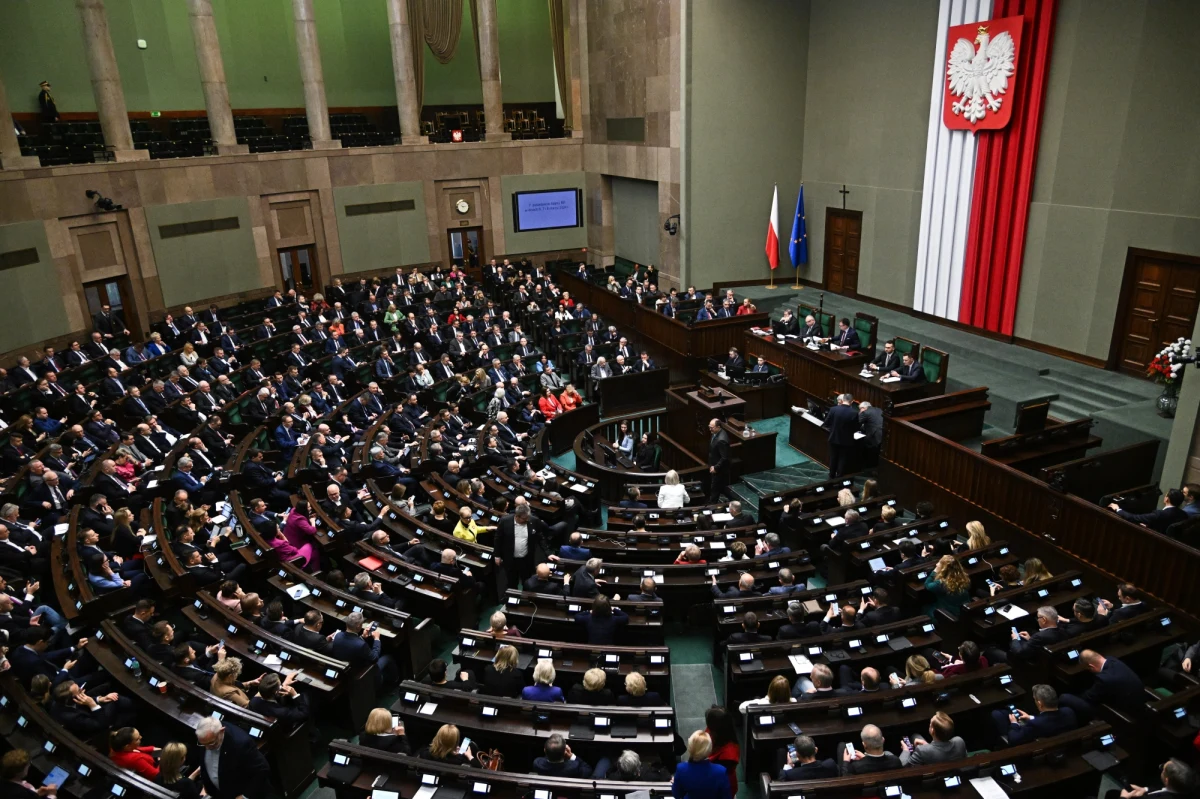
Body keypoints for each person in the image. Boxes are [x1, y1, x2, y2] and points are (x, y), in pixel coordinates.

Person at [195, 716, 272, 799]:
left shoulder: (241, 744)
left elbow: (262, 769)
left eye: (211, 743)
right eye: (203, 744)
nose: (207, 748)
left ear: (222, 731)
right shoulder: (207, 738)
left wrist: (244, 796)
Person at [990, 684, 1077, 746]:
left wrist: (1014, 724)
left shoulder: (1035, 724)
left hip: (1036, 747)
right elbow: (1049, 720)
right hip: (1064, 745)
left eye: (1035, 699)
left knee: (996, 714)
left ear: (1040, 704)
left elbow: (1013, 739)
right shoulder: (1069, 712)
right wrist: (1031, 717)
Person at [672, 731, 732, 799]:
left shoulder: (681, 769)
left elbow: (677, 794)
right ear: (709, 749)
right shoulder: (721, 771)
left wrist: (677, 781)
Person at [1108, 488, 1188, 534]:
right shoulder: (1184, 515)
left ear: (1166, 499)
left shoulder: (1159, 514)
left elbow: (1133, 517)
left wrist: (1118, 509)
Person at [1107, 759, 1198, 799]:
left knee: (1111, 793)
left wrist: (1124, 798)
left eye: (1163, 769)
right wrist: (1145, 789)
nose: (1161, 768)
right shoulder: (1187, 787)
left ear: (1167, 780)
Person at [899, 712, 966, 765]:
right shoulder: (959, 741)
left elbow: (903, 767)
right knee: (915, 736)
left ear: (932, 730)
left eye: (930, 724)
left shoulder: (922, 751)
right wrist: (927, 745)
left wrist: (906, 750)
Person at [534, 734, 604, 778]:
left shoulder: (538, 763)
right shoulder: (574, 767)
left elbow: (546, 758)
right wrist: (571, 756)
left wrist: (553, 752)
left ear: (544, 750)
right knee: (605, 760)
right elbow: (588, 770)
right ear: (565, 751)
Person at [823, 394, 860, 478]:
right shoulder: (854, 413)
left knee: (833, 457)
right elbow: (856, 428)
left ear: (842, 400)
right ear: (852, 402)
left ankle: (831, 475)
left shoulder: (833, 409)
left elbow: (826, 423)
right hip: (846, 440)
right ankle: (839, 476)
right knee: (842, 458)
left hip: (833, 437)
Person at [924, 555, 970, 619]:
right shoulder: (963, 577)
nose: (936, 564)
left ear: (943, 569)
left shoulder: (942, 584)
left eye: (939, 563)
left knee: (925, 608)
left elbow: (927, 585)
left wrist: (934, 572)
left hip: (950, 614)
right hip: (965, 611)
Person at [707, 418, 731, 502]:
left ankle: (712, 508)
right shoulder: (715, 433)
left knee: (715, 490)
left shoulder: (721, 440)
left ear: (718, 427)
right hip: (714, 466)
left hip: (719, 470)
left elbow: (724, 457)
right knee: (719, 488)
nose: (710, 429)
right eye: (709, 427)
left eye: (711, 427)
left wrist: (716, 467)